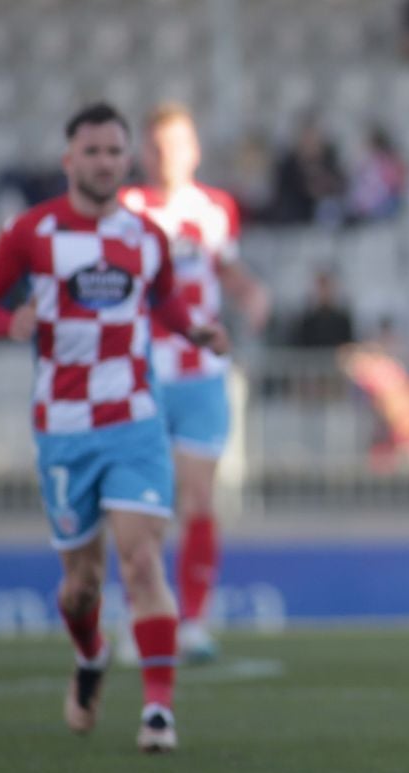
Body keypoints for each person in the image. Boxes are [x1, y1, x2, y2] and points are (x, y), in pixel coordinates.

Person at [0, 101, 230, 753]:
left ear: (125, 159)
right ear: (69, 161)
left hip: (135, 419)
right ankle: (90, 655)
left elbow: (162, 298)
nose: (106, 162)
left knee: (142, 561)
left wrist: (192, 329)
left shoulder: (145, 235)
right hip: (63, 427)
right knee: (81, 585)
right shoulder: (30, 232)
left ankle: (159, 713)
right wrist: (9, 324)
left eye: (116, 151)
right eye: (94, 152)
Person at [121, 102, 271, 664]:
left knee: (200, 498)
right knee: (146, 504)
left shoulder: (215, 208)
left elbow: (223, 266)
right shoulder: (126, 209)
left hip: (202, 374)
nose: (167, 156)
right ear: (143, 151)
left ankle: (195, 623)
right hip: (141, 374)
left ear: (194, 150)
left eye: (177, 145)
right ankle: (146, 617)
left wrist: (251, 293)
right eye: (157, 146)